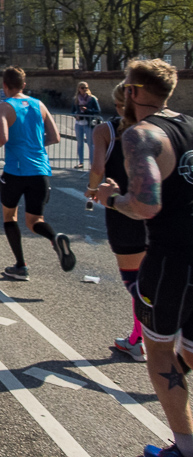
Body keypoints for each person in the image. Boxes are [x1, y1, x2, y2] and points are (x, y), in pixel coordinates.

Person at [93, 60, 193, 457]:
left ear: (133, 92)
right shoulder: (189, 124)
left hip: (171, 260)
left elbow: (146, 205)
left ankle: (184, 447)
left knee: (160, 352)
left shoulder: (142, 135)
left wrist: (111, 199)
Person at [0, 66, 73, 281]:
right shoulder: (39, 105)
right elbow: (55, 137)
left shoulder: (3, 107)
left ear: (4, 86)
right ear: (24, 85)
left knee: (9, 216)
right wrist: (34, 143)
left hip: (15, 172)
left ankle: (21, 265)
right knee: (34, 220)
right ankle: (54, 237)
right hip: (39, 171)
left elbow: (2, 138)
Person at [86, 82, 147, 362]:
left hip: (122, 210)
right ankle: (147, 334)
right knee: (157, 276)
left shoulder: (105, 131)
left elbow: (98, 168)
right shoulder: (157, 131)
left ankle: (141, 337)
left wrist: (91, 189)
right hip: (156, 211)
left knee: (135, 281)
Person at [72, 81, 101, 170]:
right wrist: (75, 115)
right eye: (82, 88)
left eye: (86, 88)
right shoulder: (76, 99)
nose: (84, 89)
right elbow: (72, 111)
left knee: (90, 144)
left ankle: (92, 163)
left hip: (89, 123)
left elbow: (98, 111)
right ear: (78, 89)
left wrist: (87, 110)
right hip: (79, 124)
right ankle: (81, 162)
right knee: (80, 144)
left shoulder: (92, 99)